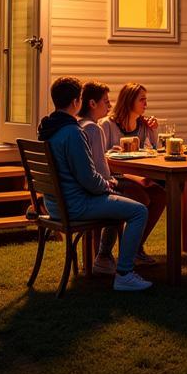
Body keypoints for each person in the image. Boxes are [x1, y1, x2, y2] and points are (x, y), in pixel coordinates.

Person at [36, 76, 152, 291]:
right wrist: (108, 186)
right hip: (76, 205)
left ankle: (105, 258)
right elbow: (89, 179)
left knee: (120, 199)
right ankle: (124, 273)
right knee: (139, 211)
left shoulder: (48, 129)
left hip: (55, 204)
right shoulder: (72, 132)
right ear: (75, 102)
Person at [98, 82, 166, 265]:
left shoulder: (142, 125)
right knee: (141, 197)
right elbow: (98, 158)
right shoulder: (107, 124)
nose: (146, 104)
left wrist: (154, 129)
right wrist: (114, 152)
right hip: (112, 177)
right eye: (142, 99)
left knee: (160, 194)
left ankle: (136, 247)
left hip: (133, 175)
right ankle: (106, 253)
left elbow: (155, 151)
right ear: (129, 101)